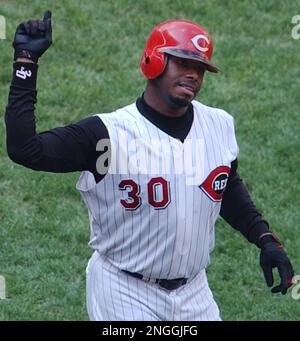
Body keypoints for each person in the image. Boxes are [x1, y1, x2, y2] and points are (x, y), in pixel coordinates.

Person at [5, 11, 294, 321]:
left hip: (194, 292)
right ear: (154, 61)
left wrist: (264, 238)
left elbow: (224, 185)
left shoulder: (218, 125)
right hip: (124, 289)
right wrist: (26, 63)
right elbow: (26, 150)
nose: (193, 75)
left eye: (200, 68)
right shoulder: (107, 135)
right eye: (183, 63)